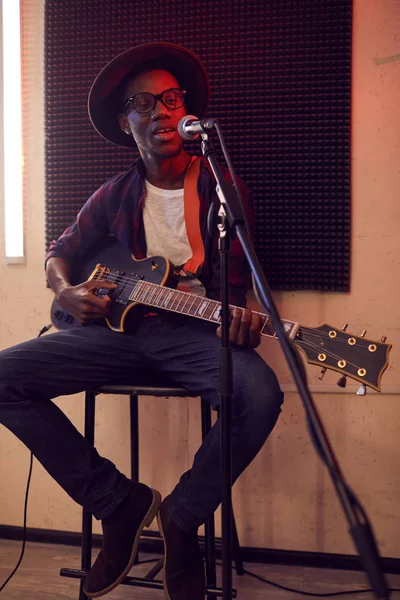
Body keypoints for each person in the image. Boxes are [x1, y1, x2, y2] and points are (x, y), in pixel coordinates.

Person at [0, 42, 283, 599]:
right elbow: (61, 251)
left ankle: (181, 519)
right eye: (144, 104)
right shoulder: (113, 194)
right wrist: (69, 290)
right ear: (126, 124)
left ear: (188, 112)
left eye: (171, 99)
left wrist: (241, 316)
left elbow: (236, 279)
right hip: (116, 334)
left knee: (260, 393)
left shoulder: (222, 191)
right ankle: (119, 504)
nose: (161, 112)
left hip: (195, 333)